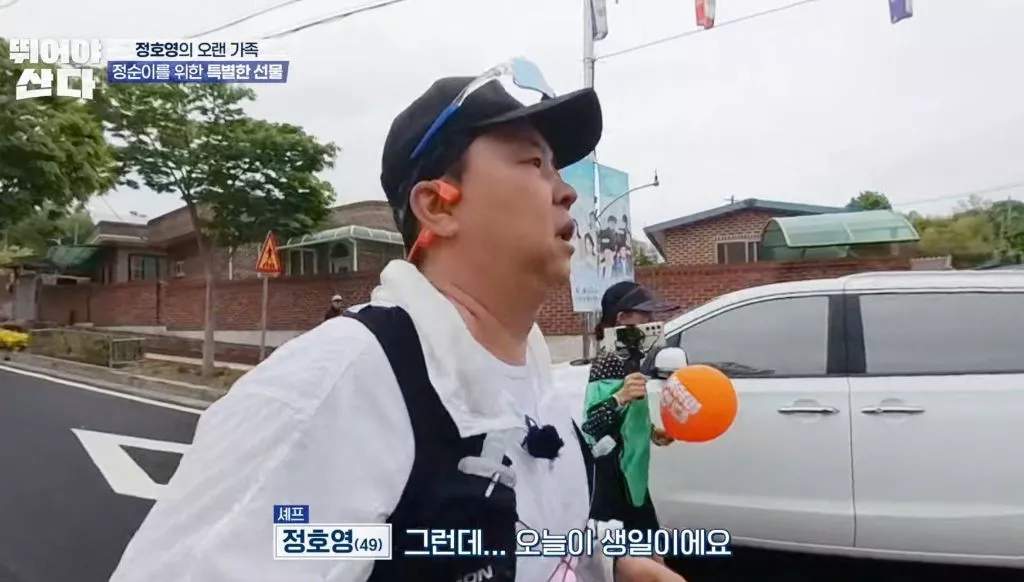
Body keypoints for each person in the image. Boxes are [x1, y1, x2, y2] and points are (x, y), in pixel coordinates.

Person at [108, 63, 683, 582]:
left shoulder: (539, 386)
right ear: (438, 206)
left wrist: (607, 565)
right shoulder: (330, 388)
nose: (567, 192)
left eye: (557, 168)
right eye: (533, 162)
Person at [582, 281, 681, 563]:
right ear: (623, 318)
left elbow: (630, 416)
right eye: (644, 314)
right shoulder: (609, 362)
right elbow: (592, 426)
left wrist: (651, 431)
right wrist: (620, 397)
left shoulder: (630, 358)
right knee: (638, 564)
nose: (651, 321)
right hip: (615, 480)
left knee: (651, 559)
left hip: (634, 477)